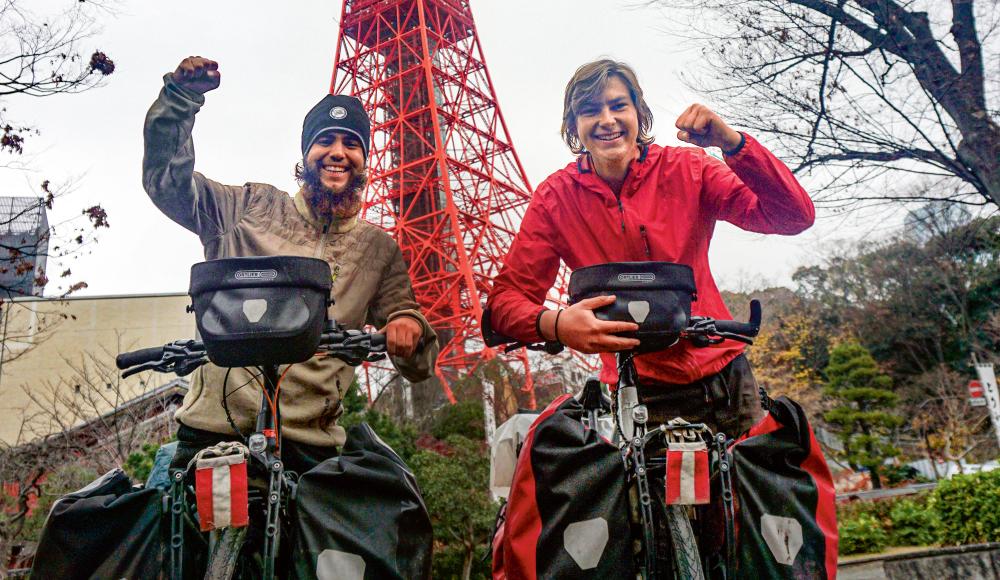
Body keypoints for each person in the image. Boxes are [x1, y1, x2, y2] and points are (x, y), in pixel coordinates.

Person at [143, 56, 439, 474]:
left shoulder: (377, 249)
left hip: (310, 444)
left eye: (351, 143)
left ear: (365, 158)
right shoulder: (249, 206)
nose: (338, 152)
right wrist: (180, 100)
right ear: (306, 153)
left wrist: (408, 327)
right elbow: (168, 186)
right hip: (214, 429)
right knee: (173, 531)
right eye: (326, 141)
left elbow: (420, 360)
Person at [487, 59, 814, 435]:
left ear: (639, 113)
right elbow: (504, 303)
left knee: (753, 488)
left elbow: (793, 217)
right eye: (589, 110)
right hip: (637, 390)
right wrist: (557, 324)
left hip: (725, 376)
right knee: (651, 493)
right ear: (573, 126)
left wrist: (733, 144)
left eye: (618, 105)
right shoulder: (555, 198)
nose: (606, 119)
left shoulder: (690, 168)